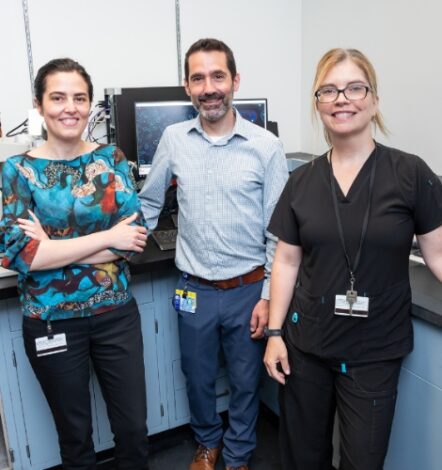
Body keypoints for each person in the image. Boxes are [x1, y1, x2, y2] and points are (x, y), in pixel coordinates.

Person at [263, 47, 442, 470]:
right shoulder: (302, 181)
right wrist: (274, 333)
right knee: (303, 458)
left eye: (354, 88)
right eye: (329, 90)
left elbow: (437, 254)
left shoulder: (411, 174)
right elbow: (286, 262)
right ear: (318, 104)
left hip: (375, 351)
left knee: (363, 460)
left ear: (374, 99)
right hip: (306, 346)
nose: (342, 98)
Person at [138, 38, 288, 470]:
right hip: (193, 290)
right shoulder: (173, 139)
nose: (209, 87)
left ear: (235, 81)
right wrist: (113, 248)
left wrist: (266, 296)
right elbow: (149, 205)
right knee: (198, 377)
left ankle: (239, 453)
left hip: (247, 290)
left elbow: (277, 233)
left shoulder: (266, 147)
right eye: (198, 78)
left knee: (244, 381)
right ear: (187, 86)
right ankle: (208, 444)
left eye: (217, 76)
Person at [0, 58, 150, 469]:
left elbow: (134, 241)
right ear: (39, 105)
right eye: (58, 97)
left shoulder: (112, 157)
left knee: (134, 430)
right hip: (51, 321)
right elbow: (24, 256)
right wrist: (107, 238)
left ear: (89, 105)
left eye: (79, 98)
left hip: (115, 315)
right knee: (75, 436)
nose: (70, 107)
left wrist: (55, 247)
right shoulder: (17, 171)